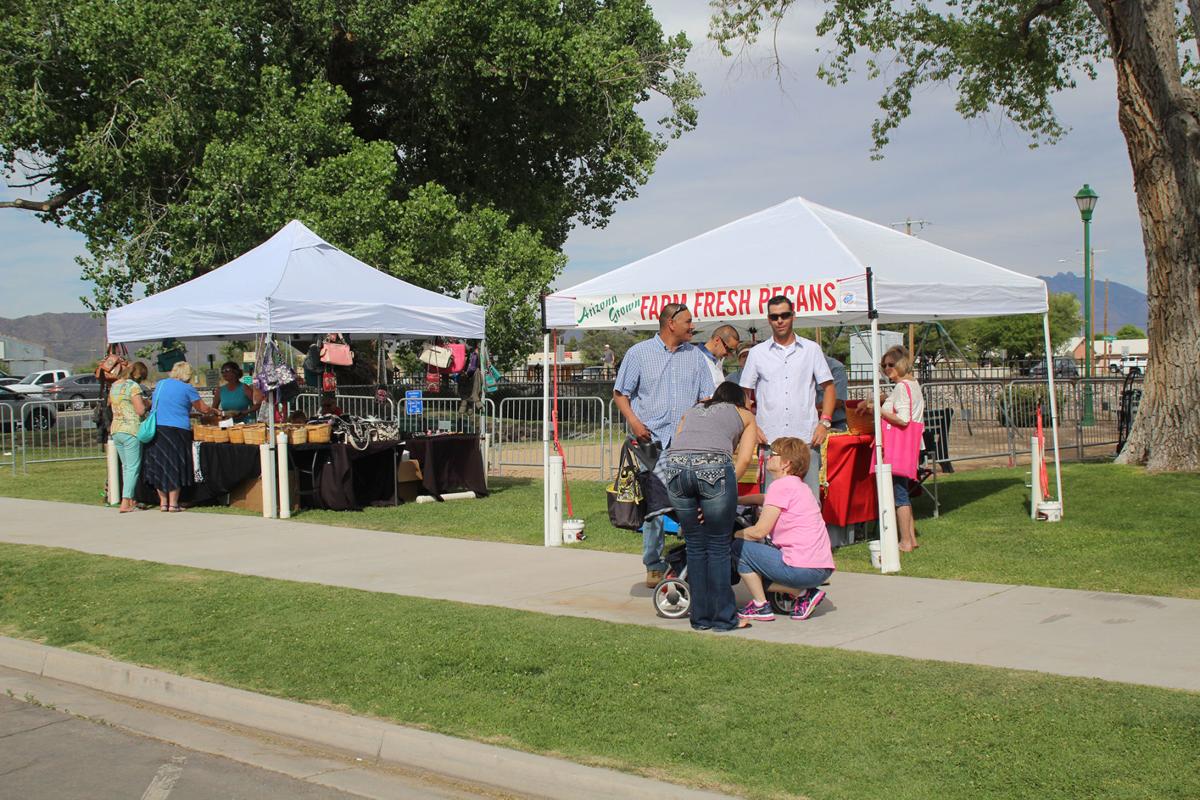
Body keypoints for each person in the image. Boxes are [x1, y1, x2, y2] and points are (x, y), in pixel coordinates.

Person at [613, 302, 716, 587]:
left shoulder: (695, 356)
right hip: (650, 441)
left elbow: (707, 396)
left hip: (685, 442)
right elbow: (620, 393)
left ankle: (688, 559)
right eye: (688, 321)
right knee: (655, 507)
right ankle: (654, 563)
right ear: (671, 323)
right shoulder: (639, 354)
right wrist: (634, 422)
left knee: (689, 502)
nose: (692, 327)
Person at [660, 382, 758, 631]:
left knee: (694, 544)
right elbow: (745, 458)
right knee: (718, 545)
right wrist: (721, 492)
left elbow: (679, 442)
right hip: (714, 466)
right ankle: (724, 619)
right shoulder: (745, 415)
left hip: (675, 470)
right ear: (740, 401)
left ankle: (700, 618)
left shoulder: (692, 410)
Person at [739, 295, 836, 502]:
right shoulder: (757, 353)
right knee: (773, 502)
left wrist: (825, 422)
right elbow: (744, 395)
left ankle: (810, 536)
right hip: (772, 440)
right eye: (775, 317)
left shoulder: (811, 349)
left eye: (784, 315)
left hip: (806, 438)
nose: (780, 320)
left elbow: (828, 387)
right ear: (768, 319)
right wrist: (752, 426)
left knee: (809, 501)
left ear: (793, 316)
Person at [732, 437, 835, 623]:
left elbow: (759, 532)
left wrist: (730, 536)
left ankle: (760, 605)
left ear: (786, 464)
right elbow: (765, 498)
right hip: (821, 567)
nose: (769, 457)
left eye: (774, 454)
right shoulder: (799, 487)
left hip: (801, 568)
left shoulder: (780, 486)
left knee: (738, 549)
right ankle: (803, 593)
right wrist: (737, 500)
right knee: (758, 555)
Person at [142, 361, 218, 512]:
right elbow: (203, 408)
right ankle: (173, 503)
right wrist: (214, 411)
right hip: (178, 430)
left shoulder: (161, 384)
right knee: (175, 464)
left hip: (158, 428)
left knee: (160, 464)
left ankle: (163, 502)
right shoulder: (187, 388)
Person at [877, 345, 925, 552]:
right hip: (913, 444)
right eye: (884, 365)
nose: (887, 368)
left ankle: (905, 540)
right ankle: (911, 538)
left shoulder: (901, 387)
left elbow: (904, 419)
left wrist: (878, 410)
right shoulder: (913, 384)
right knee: (903, 490)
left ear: (902, 363)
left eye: (891, 364)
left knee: (899, 493)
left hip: (900, 446)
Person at [108, 361, 149, 513]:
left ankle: (129, 499)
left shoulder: (114, 385)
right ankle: (126, 502)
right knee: (133, 467)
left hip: (116, 429)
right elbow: (139, 410)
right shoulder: (133, 386)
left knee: (126, 467)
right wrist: (146, 405)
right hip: (131, 429)